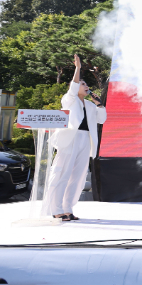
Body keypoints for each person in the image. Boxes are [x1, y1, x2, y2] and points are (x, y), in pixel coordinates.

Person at [46, 54, 107, 221]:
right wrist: (78, 68)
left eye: (86, 84)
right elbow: (73, 87)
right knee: (63, 173)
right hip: (70, 139)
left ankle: (68, 208)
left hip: (85, 140)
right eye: (83, 84)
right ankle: (56, 208)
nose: (86, 86)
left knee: (78, 176)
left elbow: (102, 119)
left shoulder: (89, 105)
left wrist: (99, 104)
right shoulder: (69, 99)